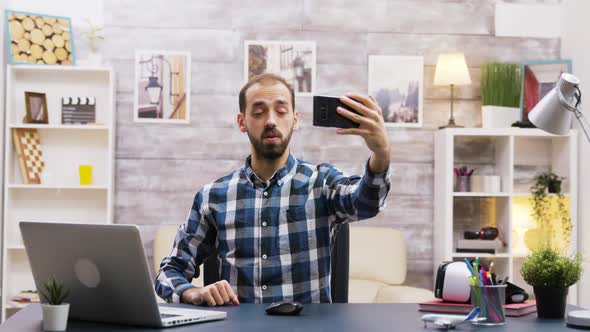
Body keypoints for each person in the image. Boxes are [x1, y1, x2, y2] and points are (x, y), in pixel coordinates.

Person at [155, 73, 391, 306]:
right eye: (258, 112)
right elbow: (170, 271)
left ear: (295, 120)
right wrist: (191, 292)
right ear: (242, 122)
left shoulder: (322, 182)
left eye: (281, 111)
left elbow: (367, 202)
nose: (270, 120)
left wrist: (381, 154)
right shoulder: (213, 197)